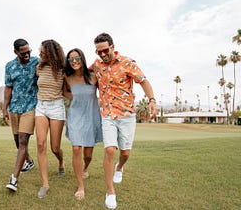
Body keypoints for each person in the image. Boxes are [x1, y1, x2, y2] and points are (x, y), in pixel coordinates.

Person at [90, 33, 157, 209]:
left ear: (112, 47)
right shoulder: (96, 64)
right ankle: (110, 191)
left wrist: (152, 100)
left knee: (125, 152)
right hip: (107, 114)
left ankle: (120, 167)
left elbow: (143, 81)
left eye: (105, 50)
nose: (102, 55)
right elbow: (80, 69)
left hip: (126, 115)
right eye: (99, 52)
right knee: (110, 150)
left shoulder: (127, 62)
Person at [63, 48, 103, 200]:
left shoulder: (93, 77)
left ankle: (85, 167)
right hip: (75, 115)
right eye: (71, 59)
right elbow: (64, 92)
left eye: (77, 58)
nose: (74, 61)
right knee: (76, 149)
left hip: (91, 115)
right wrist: (74, 97)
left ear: (82, 58)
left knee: (88, 154)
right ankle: (80, 185)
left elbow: (104, 92)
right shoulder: (68, 78)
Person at [3, 38, 39, 192]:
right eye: (23, 53)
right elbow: (8, 88)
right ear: (15, 52)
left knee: (23, 140)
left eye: (28, 51)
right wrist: (5, 108)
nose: (27, 55)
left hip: (31, 106)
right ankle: (29, 161)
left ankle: (14, 179)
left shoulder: (37, 62)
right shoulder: (9, 66)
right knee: (18, 141)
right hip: (14, 108)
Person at [35, 39, 66, 198]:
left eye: (43, 52)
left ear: (51, 53)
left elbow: (69, 88)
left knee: (55, 147)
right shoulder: (39, 67)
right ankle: (45, 184)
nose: (40, 54)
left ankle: (61, 161)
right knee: (40, 144)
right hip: (41, 106)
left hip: (56, 107)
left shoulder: (63, 69)